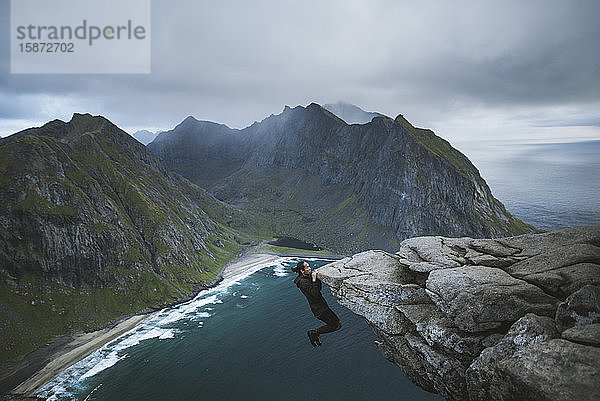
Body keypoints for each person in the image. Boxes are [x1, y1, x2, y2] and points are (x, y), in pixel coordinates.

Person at [292, 260, 342, 347]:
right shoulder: (303, 282)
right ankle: (313, 333)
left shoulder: (306, 278)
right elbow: (315, 294)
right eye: (307, 267)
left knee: (337, 324)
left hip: (321, 307)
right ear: (302, 271)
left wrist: (315, 278)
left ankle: (314, 335)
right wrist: (314, 279)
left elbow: (318, 289)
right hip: (320, 309)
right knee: (336, 325)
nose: (309, 268)